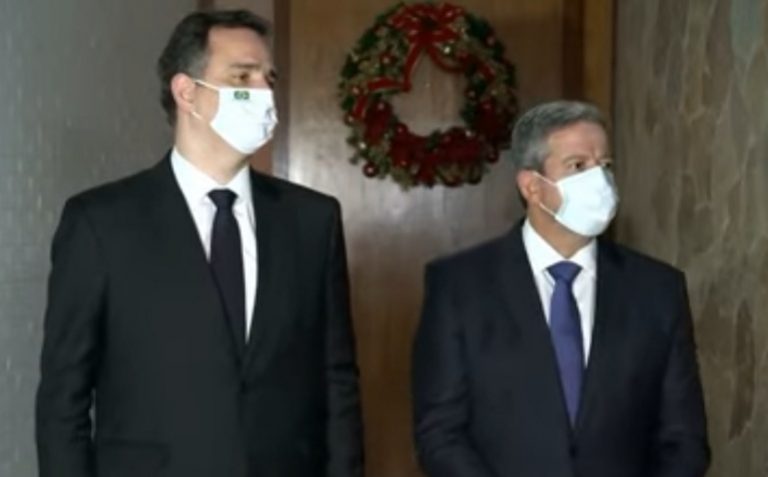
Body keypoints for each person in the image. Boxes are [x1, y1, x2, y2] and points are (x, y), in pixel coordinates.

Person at [36, 9, 363, 477]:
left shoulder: (313, 220)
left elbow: (337, 381)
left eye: (269, 78)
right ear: (187, 92)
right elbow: (62, 402)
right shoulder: (100, 223)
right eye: (243, 77)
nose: (264, 93)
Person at [412, 100, 710, 477]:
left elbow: (684, 440)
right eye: (578, 166)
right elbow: (440, 434)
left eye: (605, 165)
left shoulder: (658, 290)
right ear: (532, 186)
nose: (599, 181)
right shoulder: (459, 287)